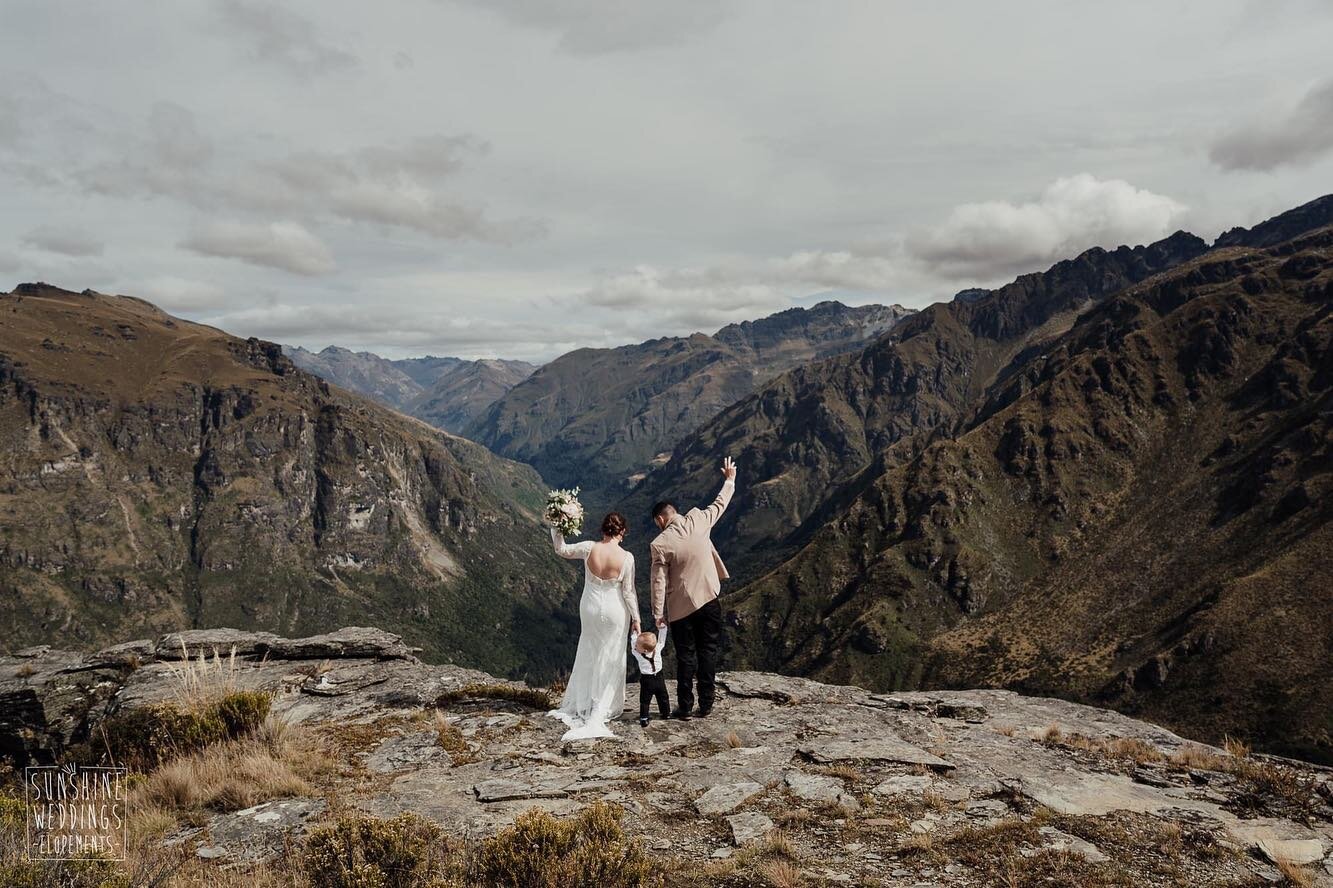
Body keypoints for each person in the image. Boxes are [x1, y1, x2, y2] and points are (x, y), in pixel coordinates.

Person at [649, 456, 737, 719]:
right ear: (675, 512)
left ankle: (685, 707)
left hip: (681, 609)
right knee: (708, 651)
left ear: (660, 521)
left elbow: (658, 581)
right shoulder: (699, 519)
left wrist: (657, 614)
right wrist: (729, 480)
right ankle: (707, 704)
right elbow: (720, 504)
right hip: (709, 598)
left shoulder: (660, 544)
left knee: (686, 656)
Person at [547, 511, 640, 740]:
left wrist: (558, 527)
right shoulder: (626, 557)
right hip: (614, 610)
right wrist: (636, 618)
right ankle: (602, 706)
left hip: (588, 607)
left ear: (602, 530)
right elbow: (628, 592)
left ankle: (584, 701)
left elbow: (562, 550)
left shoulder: (589, 548)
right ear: (623, 532)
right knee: (612, 655)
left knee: (589, 650)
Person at [629, 627, 669, 727]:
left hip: (647, 680)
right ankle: (665, 713)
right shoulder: (658, 648)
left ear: (644, 650)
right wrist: (663, 628)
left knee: (645, 700)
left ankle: (644, 718)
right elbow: (661, 640)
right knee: (663, 697)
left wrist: (634, 633)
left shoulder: (637, 654)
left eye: (637, 645)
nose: (635, 646)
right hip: (659, 677)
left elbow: (633, 644)